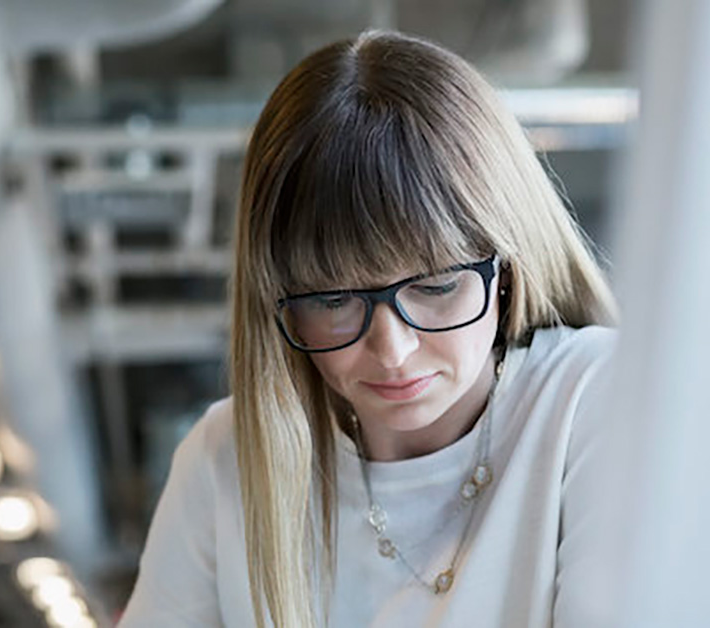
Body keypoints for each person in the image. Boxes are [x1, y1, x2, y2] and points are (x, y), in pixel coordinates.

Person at [118, 30, 618, 627]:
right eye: (333, 300)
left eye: (436, 287)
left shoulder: (593, 398)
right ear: (276, 303)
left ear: (507, 265)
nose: (392, 350)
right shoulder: (224, 460)